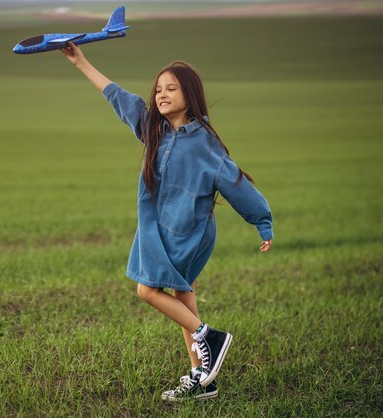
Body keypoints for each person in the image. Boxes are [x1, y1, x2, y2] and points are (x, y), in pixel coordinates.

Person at [60, 42, 274, 402]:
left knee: (147, 290)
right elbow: (116, 96)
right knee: (182, 296)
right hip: (157, 231)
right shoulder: (153, 129)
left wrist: (262, 221)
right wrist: (81, 61)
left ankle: (211, 337)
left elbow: (235, 182)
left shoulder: (205, 144)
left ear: (189, 95)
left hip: (189, 231)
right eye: (158, 89)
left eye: (171, 88)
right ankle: (203, 377)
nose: (161, 94)